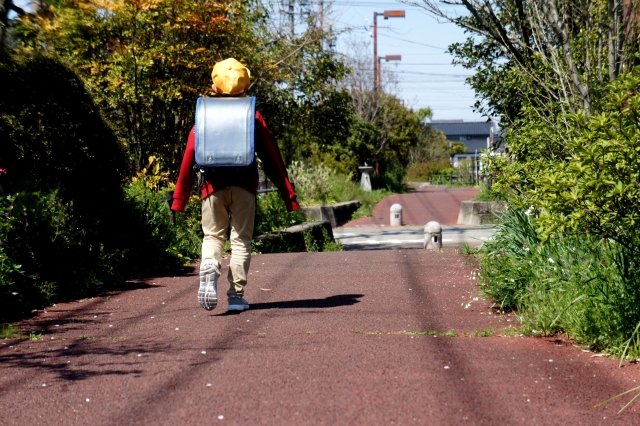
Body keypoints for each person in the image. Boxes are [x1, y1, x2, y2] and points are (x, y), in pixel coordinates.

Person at [171, 58, 299, 312]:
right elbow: (273, 158)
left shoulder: (204, 112)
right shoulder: (253, 115)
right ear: (246, 86)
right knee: (241, 240)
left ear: (214, 87)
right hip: (244, 185)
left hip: (211, 186)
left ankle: (210, 265)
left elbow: (189, 155)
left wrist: (179, 199)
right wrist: (288, 196)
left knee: (213, 236)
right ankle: (236, 296)